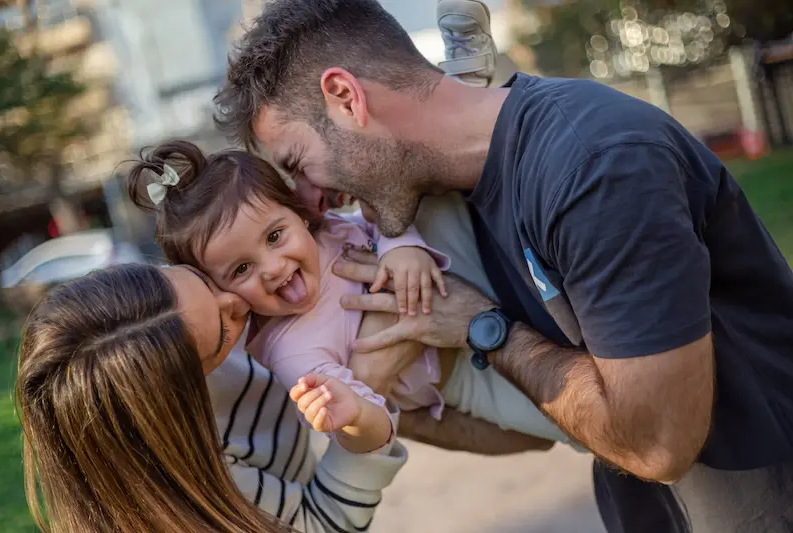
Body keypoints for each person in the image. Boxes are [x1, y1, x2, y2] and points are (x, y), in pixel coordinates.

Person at [215, 0, 793, 531]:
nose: (309, 200)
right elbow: (530, 433)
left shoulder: (594, 169)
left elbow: (657, 445)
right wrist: (369, 381)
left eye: (299, 163)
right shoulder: (443, 188)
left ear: (346, 97)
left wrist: (481, 326)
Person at [125, 139, 578, 450]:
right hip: (461, 381)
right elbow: (371, 427)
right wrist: (354, 416)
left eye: (275, 236)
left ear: (299, 214)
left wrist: (401, 245)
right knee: (571, 420)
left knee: (565, 334)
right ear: (221, 289)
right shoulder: (291, 352)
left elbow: (381, 218)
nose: (273, 267)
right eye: (241, 269)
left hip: (468, 287)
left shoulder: (329, 235)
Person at [15, 263, 406, 533]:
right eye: (223, 329)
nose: (237, 301)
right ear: (181, 393)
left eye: (203, 279)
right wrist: (367, 386)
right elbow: (323, 523)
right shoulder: (197, 469)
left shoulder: (159, 314)